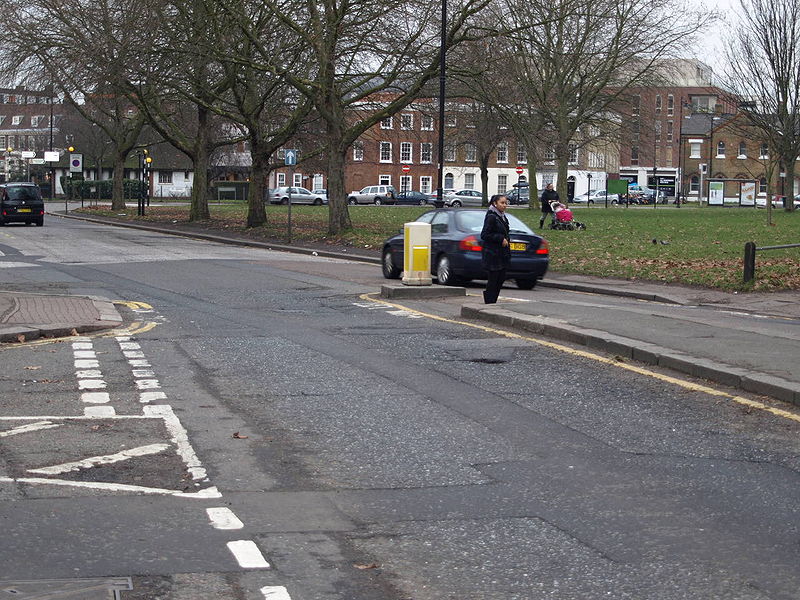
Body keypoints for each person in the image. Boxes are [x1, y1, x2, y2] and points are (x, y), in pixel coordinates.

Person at [480, 194, 511, 304]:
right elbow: (484, 234)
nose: (504, 205)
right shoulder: (491, 217)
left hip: (502, 253)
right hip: (493, 253)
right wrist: (500, 238)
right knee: (494, 278)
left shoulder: (502, 216)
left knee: (501, 278)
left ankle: (492, 300)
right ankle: (489, 301)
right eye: (502, 203)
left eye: (505, 203)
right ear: (495, 203)